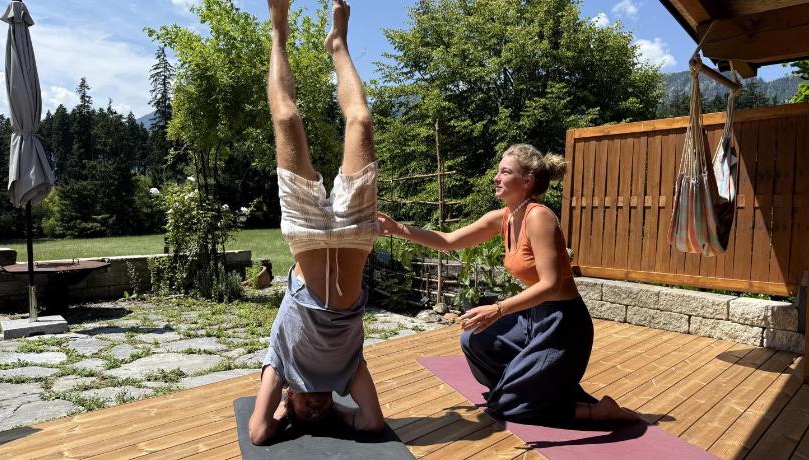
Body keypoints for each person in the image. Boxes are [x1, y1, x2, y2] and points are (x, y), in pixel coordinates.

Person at [378, 144, 639, 425]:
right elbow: (448, 241)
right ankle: (521, 391)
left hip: (563, 325)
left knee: (505, 407)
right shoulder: (504, 217)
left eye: (505, 172)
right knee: (474, 339)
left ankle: (597, 411)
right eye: (498, 171)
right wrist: (398, 229)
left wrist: (498, 309)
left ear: (527, 181)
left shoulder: (539, 217)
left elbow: (550, 284)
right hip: (532, 318)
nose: (496, 178)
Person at [248, 0, 384, 445]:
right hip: (356, 237)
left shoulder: (281, 365)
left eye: (307, 410)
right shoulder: (347, 373)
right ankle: (338, 42)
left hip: (306, 237)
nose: (317, 407)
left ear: (288, 397)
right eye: (321, 411)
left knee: (287, 119)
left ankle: (278, 30)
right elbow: (372, 422)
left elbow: (259, 433)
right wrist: (339, 413)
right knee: (361, 121)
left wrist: (283, 408)